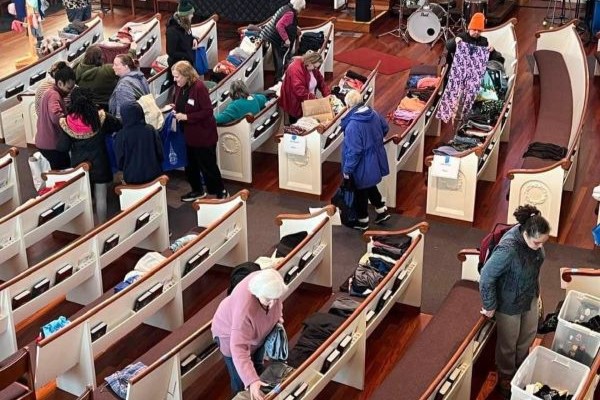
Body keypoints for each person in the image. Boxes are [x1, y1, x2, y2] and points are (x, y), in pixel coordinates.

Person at [479, 204, 551, 399]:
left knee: (527, 336)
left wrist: (538, 295)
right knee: (508, 344)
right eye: (537, 242)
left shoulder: (534, 241)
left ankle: (521, 371)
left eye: (543, 242)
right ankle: (506, 377)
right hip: (508, 302)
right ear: (526, 234)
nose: (540, 246)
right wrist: (490, 305)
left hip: (529, 296)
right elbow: (486, 277)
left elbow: (535, 269)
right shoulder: (508, 249)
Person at [212, 268, 288, 400]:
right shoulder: (244, 310)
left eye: (274, 299)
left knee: (257, 365)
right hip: (230, 337)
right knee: (241, 382)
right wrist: (251, 381)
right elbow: (238, 349)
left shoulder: (271, 282)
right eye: (268, 299)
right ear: (257, 294)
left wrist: (278, 318)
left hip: (258, 335)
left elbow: (276, 303)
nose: (272, 303)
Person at [56, 87, 121, 223]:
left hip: (79, 165)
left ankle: (85, 227)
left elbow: (62, 147)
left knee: (84, 196)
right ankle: (101, 225)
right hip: (100, 162)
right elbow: (118, 125)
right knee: (101, 197)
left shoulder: (67, 122)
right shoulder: (100, 117)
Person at [171, 60, 228, 202]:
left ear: (186, 75)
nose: (174, 79)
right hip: (188, 135)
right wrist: (174, 108)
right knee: (190, 166)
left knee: (208, 166)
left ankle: (220, 191)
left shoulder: (199, 87)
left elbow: (207, 112)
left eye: (177, 76)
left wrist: (187, 116)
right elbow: (179, 103)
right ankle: (197, 190)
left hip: (203, 136)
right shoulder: (179, 87)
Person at [340, 89, 390, 231]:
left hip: (361, 163)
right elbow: (385, 127)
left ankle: (363, 221)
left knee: (359, 191)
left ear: (349, 106)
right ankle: (381, 210)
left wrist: (347, 170)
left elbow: (354, 151)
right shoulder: (373, 114)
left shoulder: (353, 125)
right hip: (374, 158)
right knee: (368, 184)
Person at [35, 64, 76, 170]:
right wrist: (70, 123)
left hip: (44, 141)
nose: (70, 91)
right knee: (63, 171)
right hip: (52, 144)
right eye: (68, 88)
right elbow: (55, 116)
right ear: (59, 83)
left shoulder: (49, 92)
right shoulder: (54, 95)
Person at [114, 102, 164, 185]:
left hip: (132, 177)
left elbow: (119, 159)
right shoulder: (150, 129)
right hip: (154, 174)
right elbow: (160, 152)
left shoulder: (121, 135)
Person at [259, 0, 306, 82]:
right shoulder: (290, 13)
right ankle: (280, 79)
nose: (301, 11)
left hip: (272, 36)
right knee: (282, 58)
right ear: (298, 6)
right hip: (277, 38)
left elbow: (285, 22)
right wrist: (286, 39)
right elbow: (279, 26)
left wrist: (295, 27)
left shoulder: (286, 8)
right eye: (301, 8)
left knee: (278, 58)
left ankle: (278, 78)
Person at [279, 51, 330, 124]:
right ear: (309, 62)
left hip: (308, 102)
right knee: (298, 126)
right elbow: (299, 90)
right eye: (314, 67)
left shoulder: (312, 68)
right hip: (296, 104)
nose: (315, 69)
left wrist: (327, 94)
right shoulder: (295, 69)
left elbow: (321, 81)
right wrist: (316, 100)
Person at [74, 45, 120, 110]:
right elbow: (124, 66)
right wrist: (132, 50)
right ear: (100, 58)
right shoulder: (105, 70)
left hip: (91, 107)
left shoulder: (78, 67)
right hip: (109, 105)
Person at [108, 53, 150, 119]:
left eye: (116, 65)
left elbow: (123, 113)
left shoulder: (123, 86)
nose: (113, 67)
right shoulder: (141, 77)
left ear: (126, 66)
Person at [166, 0, 197, 75]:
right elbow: (171, 52)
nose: (192, 15)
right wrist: (187, 56)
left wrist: (194, 39)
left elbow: (188, 36)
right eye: (191, 14)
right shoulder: (172, 31)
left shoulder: (185, 25)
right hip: (179, 66)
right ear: (185, 17)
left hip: (188, 60)